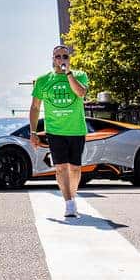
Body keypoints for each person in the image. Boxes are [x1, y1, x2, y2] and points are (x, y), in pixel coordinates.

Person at [30, 44, 89, 219]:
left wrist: (68, 73)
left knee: (75, 169)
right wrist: (33, 132)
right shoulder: (43, 80)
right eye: (58, 56)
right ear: (53, 59)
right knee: (61, 168)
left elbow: (80, 93)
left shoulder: (80, 75)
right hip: (55, 131)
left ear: (69, 59)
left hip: (76, 130)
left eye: (65, 56)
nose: (61, 59)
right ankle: (69, 203)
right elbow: (35, 107)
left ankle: (72, 195)